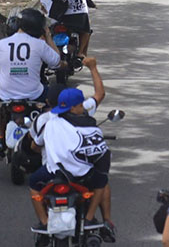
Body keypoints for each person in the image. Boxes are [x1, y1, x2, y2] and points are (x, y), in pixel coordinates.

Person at [32, 87, 115, 241]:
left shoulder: (50, 123)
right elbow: (100, 153)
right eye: (81, 104)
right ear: (74, 107)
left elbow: (35, 145)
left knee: (33, 184)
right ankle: (90, 218)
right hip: (81, 175)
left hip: (54, 172)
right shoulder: (89, 126)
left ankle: (44, 222)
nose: (83, 107)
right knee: (102, 181)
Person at [0, 8, 61, 104]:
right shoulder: (39, 44)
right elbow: (56, 62)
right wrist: (48, 36)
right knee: (59, 92)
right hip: (34, 94)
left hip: (4, 95)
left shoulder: (2, 44)